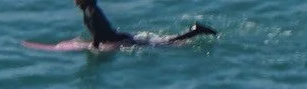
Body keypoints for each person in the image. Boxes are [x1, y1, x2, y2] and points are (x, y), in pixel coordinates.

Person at [75, 0, 214, 47]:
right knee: (165, 41)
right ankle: (194, 30)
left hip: (122, 41)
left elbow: (98, 33)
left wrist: (93, 48)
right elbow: (99, 33)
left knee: (168, 43)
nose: (74, 2)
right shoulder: (92, 11)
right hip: (119, 38)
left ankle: (196, 30)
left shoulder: (92, 14)